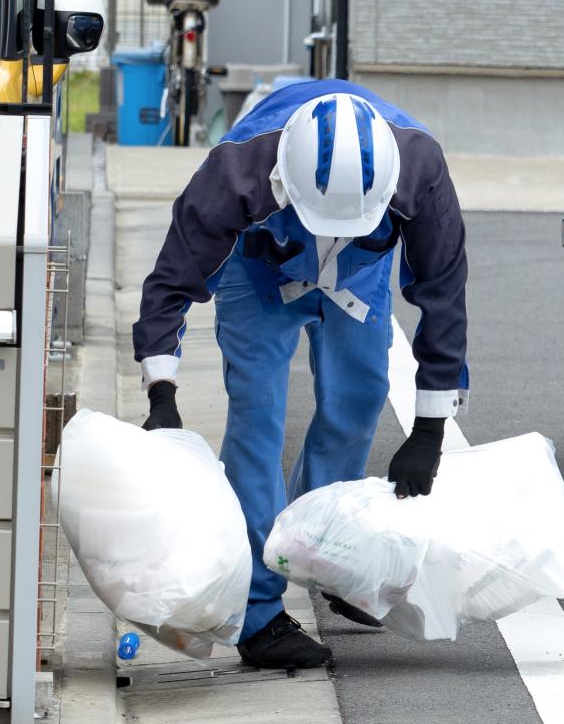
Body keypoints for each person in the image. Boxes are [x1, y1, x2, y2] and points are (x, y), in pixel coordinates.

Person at [131, 81, 469, 669]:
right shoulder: (237, 169)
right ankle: (260, 616)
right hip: (259, 270)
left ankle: (324, 556)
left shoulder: (419, 168)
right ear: (284, 181)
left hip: (359, 271)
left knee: (360, 395)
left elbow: (444, 298)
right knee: (258, 415)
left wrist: (431, 430)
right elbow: (171, 280)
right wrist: (162, 392)